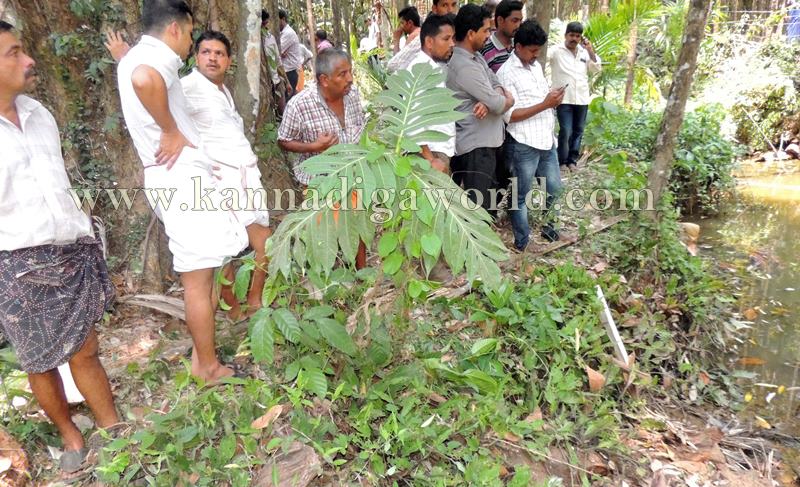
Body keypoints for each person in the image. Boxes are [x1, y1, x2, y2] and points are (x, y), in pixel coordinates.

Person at [0, 20, 120, 481]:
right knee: (40, 360)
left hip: (69, 252)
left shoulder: (40, 115)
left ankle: (112, 426)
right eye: (13, 53)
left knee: (86, 349)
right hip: (16, 264)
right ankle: (70, 435)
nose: (28, 61)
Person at [116, 0, 249, 383]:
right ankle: (207, 367)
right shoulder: (151, 59)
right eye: (191, 34)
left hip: (177, 179)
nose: (191, 43)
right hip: (181, 181)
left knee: (204, 274)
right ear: (175, 28)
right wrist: (170, 129)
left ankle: (203, 358)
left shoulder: (139, 55)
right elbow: (144, 79)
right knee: (197, 280)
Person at [180, 31, 273, 317]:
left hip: (245, 174)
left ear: (229, 60)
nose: (212, 58)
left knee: (263, 244)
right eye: (206, 52)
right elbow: (160, 104)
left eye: (219, 53)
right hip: (223, 180)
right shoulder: (187, 86)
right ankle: (234, 309)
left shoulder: (223, 91)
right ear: (196, 57)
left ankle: (255, 301)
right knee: (230, 248)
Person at [277, 49, 368, 269]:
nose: (349, 79)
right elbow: (283, 140)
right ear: (324, 80)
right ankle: (328, 276)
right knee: (326, 232)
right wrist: (313, 147)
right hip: (319, 181)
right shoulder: (300, 105)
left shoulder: (352, 95)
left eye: (350, 72)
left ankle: (361, 272)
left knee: (358, 224)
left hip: (354, 173)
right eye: (342, 74)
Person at [498, 20, 565, 250]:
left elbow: (542, 98)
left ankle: (550, 230)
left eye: (539, 50)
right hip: (524, 143)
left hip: (546, 140)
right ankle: (523, 241)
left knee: (554, 188)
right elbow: (510, 116)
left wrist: (553, 98)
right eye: (533, 50)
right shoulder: (506, 72)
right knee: (520, 196)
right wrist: (546, 104)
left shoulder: (535, 67)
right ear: (519, 47)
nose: (536, 55)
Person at [447, 4, 514, 215]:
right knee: (479, 209)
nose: (489, 35)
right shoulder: (463, 65)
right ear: (470, 33)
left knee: (493, 197)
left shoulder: (477, 57)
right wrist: (501, 99)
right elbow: (499, 103)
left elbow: (496, 82)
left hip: (489, 142)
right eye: (485, 30)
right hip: (477, 147)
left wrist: (493, 97)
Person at [407, 14, 457, 173]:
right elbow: (413, 118)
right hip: (431, 154)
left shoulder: (432, 68)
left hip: (437, 151)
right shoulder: (421, 71)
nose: (452, 44)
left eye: (452, 39)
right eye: (446, 39)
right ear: (429, 41)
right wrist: (430, 159)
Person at [548, 21, 601, 171]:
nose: (574, 38)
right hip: (563, 98)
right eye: (571, 35)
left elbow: (596, 69)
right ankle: (562, 161)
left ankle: (572, 161)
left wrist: (590, 50)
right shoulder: (555, 51)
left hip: (582, 98)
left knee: (578, 131)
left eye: (577, 36)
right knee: (566, 130)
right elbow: (539, 58)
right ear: (566, 35)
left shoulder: (584, 53)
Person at [480, 0, 523, 73]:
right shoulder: (484, 49)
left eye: (520, 20)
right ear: (500, 20)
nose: (518, 25)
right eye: (515, 21)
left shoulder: (520, 45)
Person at [261, 9, 290, 112]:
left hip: (274, 81)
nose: (265, 25)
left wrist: (287, 82)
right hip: (261, 83)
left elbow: (278, 62)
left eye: (265, 23)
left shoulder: (270, 38)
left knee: (280, 111)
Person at [387, 6, 421, 72]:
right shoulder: (422, 32)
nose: (401, 26)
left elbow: (395, 65)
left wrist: (396, 39)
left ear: (410, 23)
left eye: (402, 23)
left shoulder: (414, 36)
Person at [279, 9, 304, 95]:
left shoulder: (288, 33)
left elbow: (277, 52)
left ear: (282, 19)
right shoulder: (283, 33)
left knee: (287, 99)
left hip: (289, 72)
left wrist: (280, 54)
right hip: (287, 72)